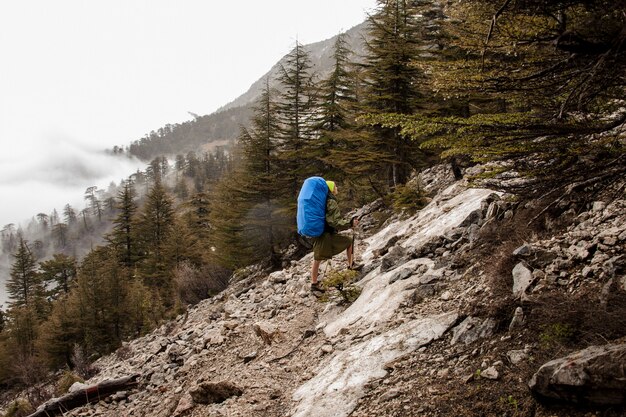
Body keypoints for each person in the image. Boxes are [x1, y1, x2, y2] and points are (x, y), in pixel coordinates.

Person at [310, 180, 359, 293]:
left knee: (348, 241)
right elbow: (334, 221)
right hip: (325, 234)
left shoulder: (322, 201)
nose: (337, 188)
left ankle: (351, 264)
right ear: (331, 189)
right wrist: (350, 223)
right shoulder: (331, 202)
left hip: (321, 233)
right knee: (318, 258)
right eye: (335, 186)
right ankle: (314, 285)